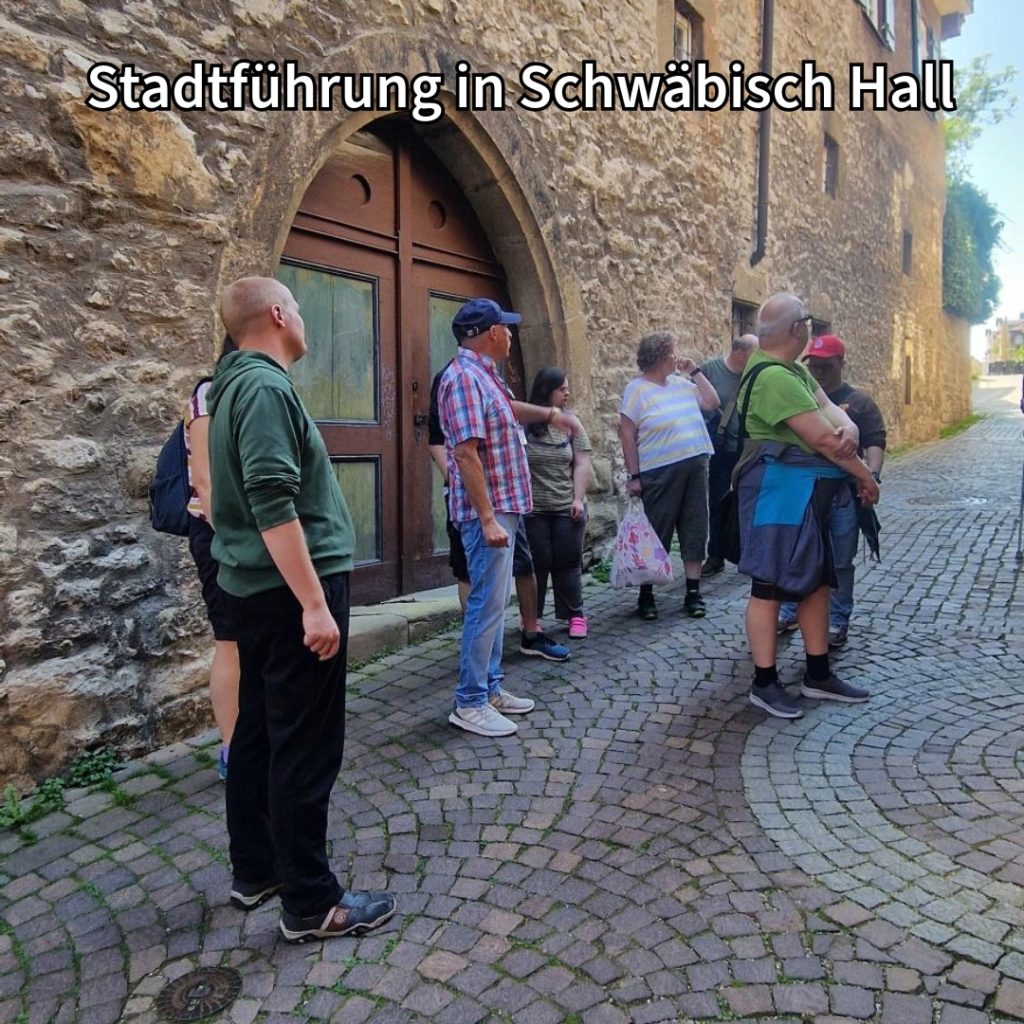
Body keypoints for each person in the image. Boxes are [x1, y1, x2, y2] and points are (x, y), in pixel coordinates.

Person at [208, 276, 396, 942]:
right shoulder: (263, 387)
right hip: (290, 592)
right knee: (304, 744)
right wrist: (315, 604)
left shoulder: (233, 385)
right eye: (297, 307)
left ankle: (257, 870)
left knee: (258, 732)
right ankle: (312, 904)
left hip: (257, 590)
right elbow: (270, 498)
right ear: (279, 314)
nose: (304, 320)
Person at [438, 298, 582, 738]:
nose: (511, 335)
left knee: (495, 604)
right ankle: (470, 701)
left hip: (504, 508)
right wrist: (487, 519)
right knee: (485, 605)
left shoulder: (484, 375)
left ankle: (490, 688)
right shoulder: (463, 379)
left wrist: (551, 415)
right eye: (506, 327)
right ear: (490, 333)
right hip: (490, 512)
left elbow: (509, 410)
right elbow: (465, 453)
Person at [735, 294, 880, 720]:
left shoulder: (792, 369)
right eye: (808, 322)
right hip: (778, 494)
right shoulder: (773, 377)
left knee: (817, 580)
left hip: (804, 493)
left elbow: (830, 409)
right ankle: (764, 683)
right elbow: (822, 438)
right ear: (798, 329)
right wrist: (865, 475)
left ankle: (817, 673)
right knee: (769, 585)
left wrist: (851, 427)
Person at [429, 367, 569, 661]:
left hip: (506, 499)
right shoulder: (455, 378)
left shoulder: (493, 378)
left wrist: (549, 415)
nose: (506, 342)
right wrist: (456, 480)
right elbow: (439, 441)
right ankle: (481, 646)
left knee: (524, 563)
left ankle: (530, 634)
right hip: (472, 499)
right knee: (470, 572)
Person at [777, 334, 886, 647]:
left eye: (826, 366)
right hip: (802, 488)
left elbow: (875, 441)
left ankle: (837, 620)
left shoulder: (861, 402)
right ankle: (789, 609)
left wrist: (872, 476)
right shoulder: (800, 395)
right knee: (795, 554)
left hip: (842, 492)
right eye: (814, 365)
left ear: (841, 363)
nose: (819, 372)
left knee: (840, 560)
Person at [619, 331, 720, 621]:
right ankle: (647, 594)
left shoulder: (682, 384)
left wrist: (695, 371)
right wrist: (634, 475)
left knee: (694, 528)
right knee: (657, 531)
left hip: (695, 464)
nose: (676, 357)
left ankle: (693, 592)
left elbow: (712, 402)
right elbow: (627, 434)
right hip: (659, 470)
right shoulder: (636, 389)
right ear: (660, 356)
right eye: (672, 352)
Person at [184, 335, 240, 782]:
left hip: (246, 535)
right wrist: (232, 540)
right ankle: (231, 750)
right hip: (218, 534)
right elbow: (204, 480)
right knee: (231, 640)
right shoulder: (209, 393)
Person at [524, 367, 593, 639]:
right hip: (534, 510)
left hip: (566, 507)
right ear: (546, 391)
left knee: (568, 562)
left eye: (567, 388)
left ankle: (574, 615)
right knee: (537, 563)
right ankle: (532, 618)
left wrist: (577, 499)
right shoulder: (526, 425)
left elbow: (583, 462)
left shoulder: (572, 423)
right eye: (561, 389)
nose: (567, 393)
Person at [700, 333, 760, 576]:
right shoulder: (710, 370)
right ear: (739, 352)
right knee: (718, 501)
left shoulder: (756, 374)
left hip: (748, 447)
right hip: (722, 449)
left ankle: (748, 554)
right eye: (754, 353)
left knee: (749, 501)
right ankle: (715, 555)